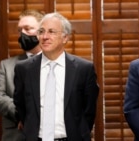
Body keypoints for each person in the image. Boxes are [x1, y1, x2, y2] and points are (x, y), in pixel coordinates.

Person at [13, 12, 99, 141]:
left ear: (65, 38)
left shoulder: (83, 69)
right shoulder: (24, 69)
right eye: (41, 31)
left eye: (52, 32)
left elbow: (89, 109)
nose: (45, 36)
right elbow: (20, 105)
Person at [0, 9, 44, 141]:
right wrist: (21, 113)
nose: (22, 34)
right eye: (20, 30)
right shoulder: (7, 65)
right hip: (16, 135)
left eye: (28, 28)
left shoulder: (58, 64)